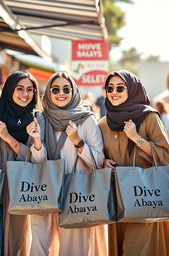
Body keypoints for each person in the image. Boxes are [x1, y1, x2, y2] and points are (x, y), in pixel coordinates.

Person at [98, 70, 169, 256]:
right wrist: (103, 161)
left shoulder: (149, 117)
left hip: (145, 195)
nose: (114, 92)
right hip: (118, 199)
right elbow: (99, 155)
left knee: (137, 248)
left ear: (132, 89)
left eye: (120, 87)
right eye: (109, 88)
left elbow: (165, 155)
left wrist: (136, 138)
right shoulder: (103, 123)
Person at [30, 72, 107, 256]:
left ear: (74, 91)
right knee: (39, 248)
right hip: (44, 190)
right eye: (55, 89)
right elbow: (36, 162)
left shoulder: (87, 119)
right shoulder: (41, 119)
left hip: (76, 194)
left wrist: (78, 141)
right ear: (48, 92)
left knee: (73, 251)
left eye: (66, 88)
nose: (61, 93)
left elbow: (98, 161)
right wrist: (37, 142)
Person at [0, 71, 46, 256]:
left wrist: (8, 137)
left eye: (30, 90)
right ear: (9, 90)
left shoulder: (37, 119)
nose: (25, 94)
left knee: (17, 241)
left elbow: (34, 161)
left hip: (22, 190)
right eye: (19, 89)